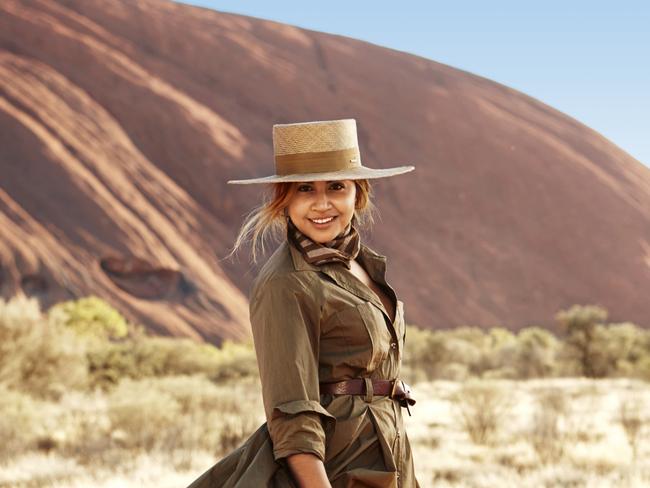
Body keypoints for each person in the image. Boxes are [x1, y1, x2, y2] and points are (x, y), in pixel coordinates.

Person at [187, 119, 419, 487]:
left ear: (357, 194)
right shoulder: (286, 282)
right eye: (305, 189)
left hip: (386, 458)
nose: (321, 204)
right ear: (284, 199)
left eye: (336, 187)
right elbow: (292, 412)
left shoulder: (360, 263)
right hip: (335, 470)